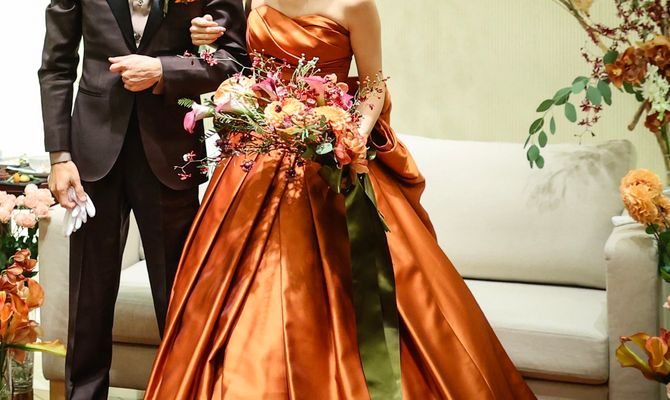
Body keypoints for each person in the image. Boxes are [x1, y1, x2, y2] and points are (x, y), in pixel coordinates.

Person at [145, 0, 537, 398]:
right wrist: (212, 48)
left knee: (366, 278)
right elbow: (245, 69)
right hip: (258, 156)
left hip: (329, 155)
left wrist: (351, 136)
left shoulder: (355, 5)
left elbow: (372, 85)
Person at [38, 0, 248, 397]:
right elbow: (56, 65)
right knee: (88, 302)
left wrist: (165, 70)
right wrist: (60, 157)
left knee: (178, 299)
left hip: (170, 153)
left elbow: (235, 61)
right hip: (92, 155)